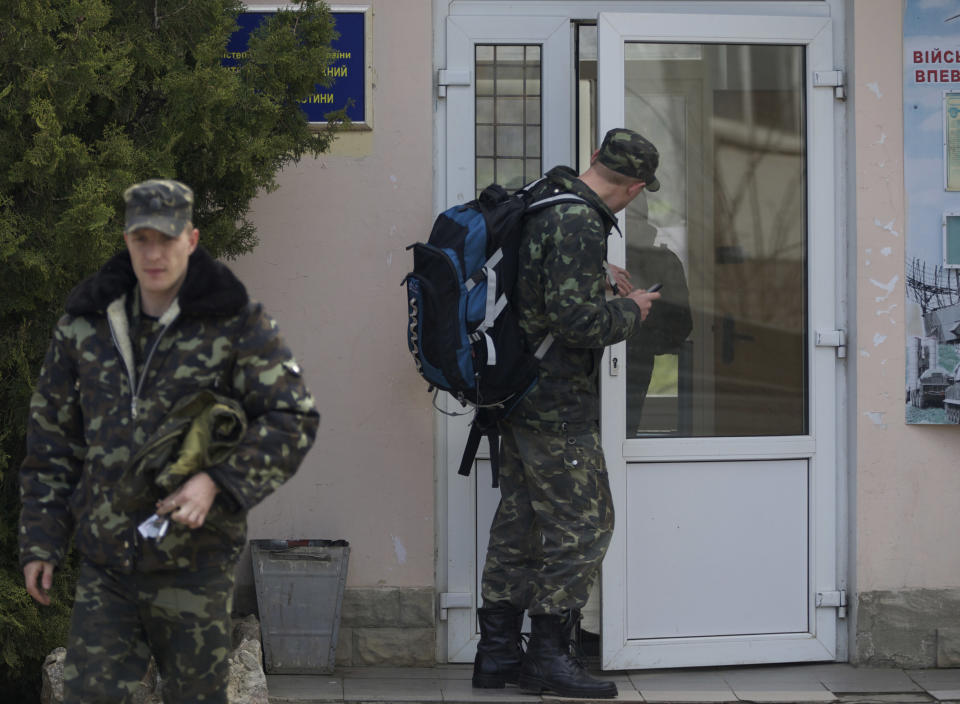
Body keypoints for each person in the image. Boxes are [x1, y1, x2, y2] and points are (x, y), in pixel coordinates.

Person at [19, 179, 320, 703]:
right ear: (127, 240)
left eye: (167, 237)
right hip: (108, 565)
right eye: (141, 239)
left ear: (192, 239)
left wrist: (218, 483)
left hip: (196, 566)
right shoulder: (84, 326)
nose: (154, 253)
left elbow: (292, 417)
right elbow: (51, 444)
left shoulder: (235, 323)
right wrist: (41, 540)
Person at [472, 128, 662, 699]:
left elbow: (538, 284)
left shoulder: (545, 199)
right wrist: (630, 310)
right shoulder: (580, 221)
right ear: (632, 188)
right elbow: (576, 324)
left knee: (520, 523)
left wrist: (596, 278)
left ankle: (497, 654)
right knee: (584, 527)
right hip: (556, 406)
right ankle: (549, 658)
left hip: (516, 394)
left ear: (593, 160)